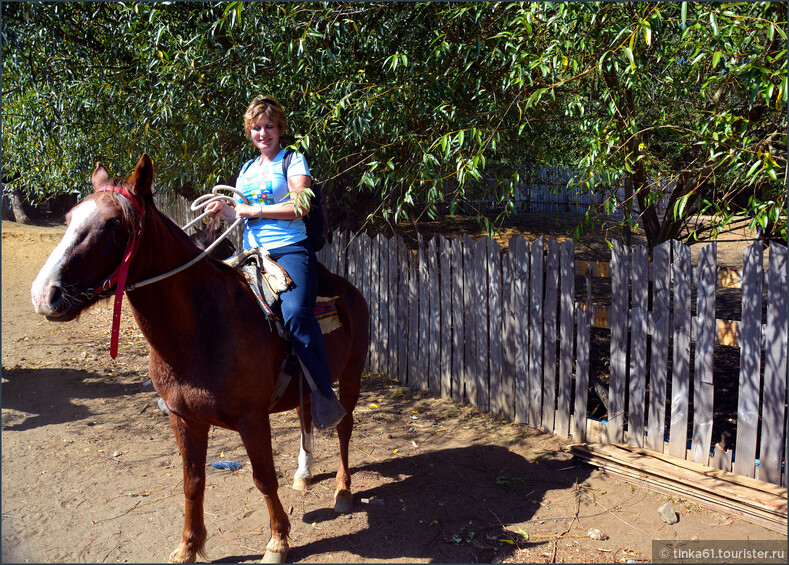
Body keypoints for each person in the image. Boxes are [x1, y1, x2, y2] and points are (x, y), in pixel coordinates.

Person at [206, 95, 346, 430]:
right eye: (256, 127)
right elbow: (242, 216)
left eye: (269, 126)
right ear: (249, 131)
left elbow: (300, 207)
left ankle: (323, 397)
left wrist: (254, 210)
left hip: (288, 250)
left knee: (297, 313)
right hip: (251, 254)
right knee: (209, 303)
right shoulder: (246, 169)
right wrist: (223, 211)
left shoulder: (292, 160)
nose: (263, 133)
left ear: (279, 127)